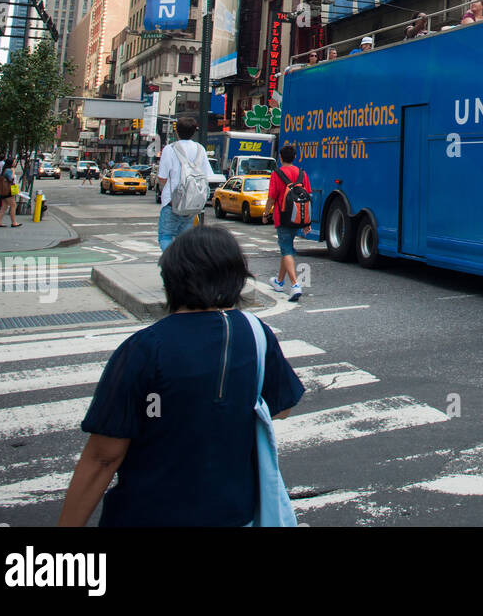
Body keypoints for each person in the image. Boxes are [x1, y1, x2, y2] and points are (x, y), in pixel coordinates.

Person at [58, 225, 304, 526]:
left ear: (172, 279)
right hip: (233, 516)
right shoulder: (257, 335)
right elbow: (282, 406)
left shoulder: (143, 349)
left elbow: (104, 456)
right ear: (237, 277)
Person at [156, 116, 212, 252]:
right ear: (194, 132)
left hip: (171, 202)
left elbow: (162, 177)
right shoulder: (200, 149)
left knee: (166, 236)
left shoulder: (170, 149)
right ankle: (183, 266)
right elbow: (207, 175)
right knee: (185, 239)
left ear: (176, 131)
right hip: (192, 203)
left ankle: (172, 264)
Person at [264, 144, 310, 302]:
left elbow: (271, 197)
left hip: (282, 216)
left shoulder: (277, 174)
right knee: (287, 247)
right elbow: (307, 196)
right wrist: (307, 222)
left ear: (280, 157)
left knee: (286, 249)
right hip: (298, 217)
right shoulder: (301, 173)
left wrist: (265, 214)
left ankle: (295, 284)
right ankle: (279, 281)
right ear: (295, 157)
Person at [0, 155, 21, 228]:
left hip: (4, 190)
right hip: (7, 190)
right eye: (14, 162)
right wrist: (13, 172)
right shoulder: (8, 170)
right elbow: (11, 179)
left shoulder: (5, 169)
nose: (15, 163)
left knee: (4, 206)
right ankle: (14, 222)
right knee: (13, 205)